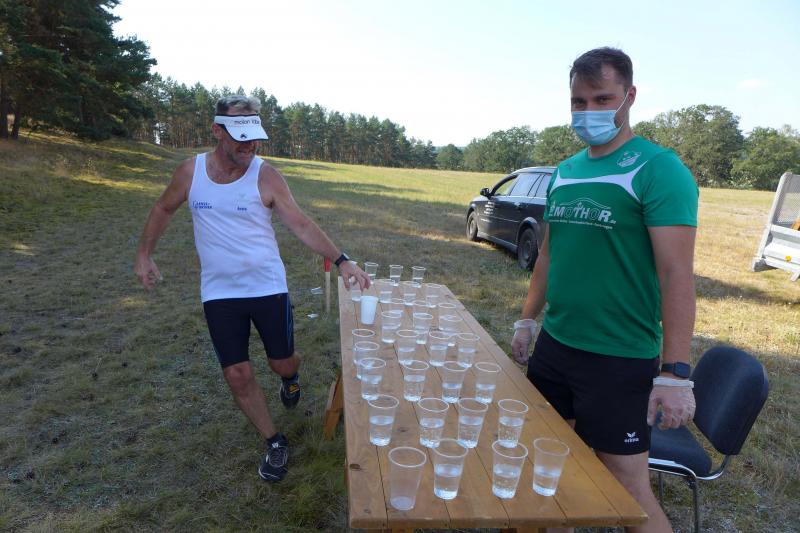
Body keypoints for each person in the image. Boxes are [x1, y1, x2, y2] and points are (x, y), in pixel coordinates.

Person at [134, 95, 369, 482]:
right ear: (217, 130)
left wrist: (342, 261)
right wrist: (144, 254)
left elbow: (301, 223)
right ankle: (275, 441)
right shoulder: (190, 173)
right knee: (237, 374)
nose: (250, 145)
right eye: (240, 137)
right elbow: (163, 208)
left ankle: (290, 378)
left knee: (282, 362)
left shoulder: (266, 175)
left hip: (266, 286)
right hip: (219, 293)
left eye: (254, 136)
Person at [511, 47, 698, 533]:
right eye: (579, 101)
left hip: (618, 357)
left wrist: (675, 372)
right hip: (556, 347)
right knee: (546, 462)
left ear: (629, 96)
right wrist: (527, 319)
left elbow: (677, 273)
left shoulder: (658, 169)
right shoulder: (565, 171)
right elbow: (549, 255)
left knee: (626, 487)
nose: (588, 111)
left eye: (602, 99)